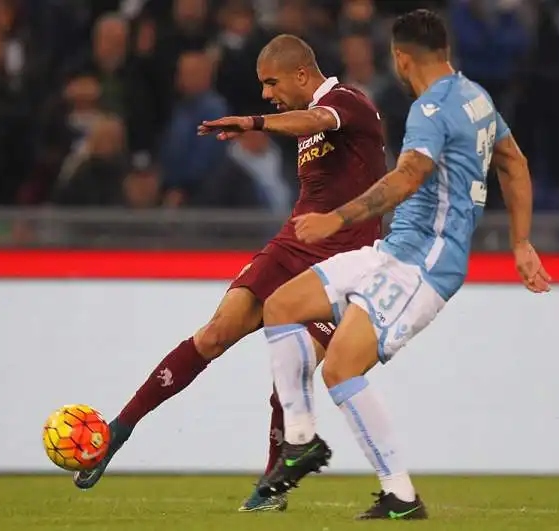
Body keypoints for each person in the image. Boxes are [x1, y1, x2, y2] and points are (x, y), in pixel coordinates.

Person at [255, 9, 551, 521]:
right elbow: (513, 161)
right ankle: (301, 441)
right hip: (394, 252)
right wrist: (521, 242)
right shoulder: (476, 98)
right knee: (281, 306)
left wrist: (336, 219)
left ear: (400, 57)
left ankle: (400, 496)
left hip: (425, 265)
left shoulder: (430, 110)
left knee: (342, 368)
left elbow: (408, 176)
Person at [72, 33, 387, 513]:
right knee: (216, 333)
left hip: (342, 268)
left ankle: (270, 487)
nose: (266, 93)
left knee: (295, 367)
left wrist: (255, 122)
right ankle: (120, 429)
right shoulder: (306, 125)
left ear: (302, 74)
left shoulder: (348, 104)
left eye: (271, 82)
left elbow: (317, 118)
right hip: (291, 248)